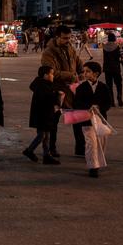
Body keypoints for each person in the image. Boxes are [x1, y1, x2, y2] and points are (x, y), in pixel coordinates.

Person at [41, 25, 82, 157]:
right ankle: (52, 148)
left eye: (69, 37)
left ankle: (80, 148)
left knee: (77, 118)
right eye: (65, 38)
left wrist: (84, 70)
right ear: (57, 37)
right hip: (57, 90)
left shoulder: (70, 47)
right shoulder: (48, 52)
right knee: (54, 121)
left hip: (72, 89)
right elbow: (51, 72)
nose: (68, 40)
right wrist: (70, 75)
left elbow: (77, 61)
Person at [73, 61, 112, 177]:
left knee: (101, 142)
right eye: (84, 71)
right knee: (91, 143)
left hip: (101, 120)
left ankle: (98, 163)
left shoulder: (104, 87)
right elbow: (76, 103)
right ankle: (93, 167)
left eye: (88, 71)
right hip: (86, 120)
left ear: (96, 73)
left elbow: (108, 103)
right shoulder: (81, 88)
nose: (85, 74)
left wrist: (100, 107)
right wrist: (88, 107)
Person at [23, 65, 62, 165]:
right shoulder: (42, 86)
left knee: (46, 135)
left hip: (45, 115)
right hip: (42, 115)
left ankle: (46, 155)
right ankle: (29, 150)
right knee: (42, 135)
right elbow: (47, 99)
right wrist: (58, 95)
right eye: (51, 74)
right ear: (45, 75)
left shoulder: (44, 84)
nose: (53, 76)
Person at [102, 32, 123, 107]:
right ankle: (119, 97)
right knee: (118, 84)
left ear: (108, 38)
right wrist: (120, 60)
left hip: (107, 69)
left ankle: (111, 101)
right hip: (116, 68)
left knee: (109, 85)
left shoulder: (104, 47)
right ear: (114, 38)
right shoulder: (117, 47)